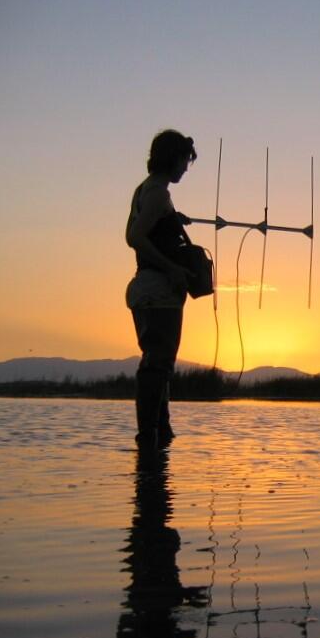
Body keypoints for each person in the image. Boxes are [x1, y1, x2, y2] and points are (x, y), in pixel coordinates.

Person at [125, 130, 197, 452]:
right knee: (158, 364)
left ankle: (159, 437)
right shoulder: (156, 193)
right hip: (157, 291)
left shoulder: (146, 190)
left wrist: (171, 220)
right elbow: (135, 238)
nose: (186, 168)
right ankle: (149, 438)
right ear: (173, 157)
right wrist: (172, 269)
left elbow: (139, 230)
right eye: (184, 160)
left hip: (146, 290)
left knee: (158, 362)